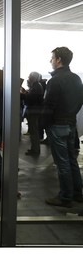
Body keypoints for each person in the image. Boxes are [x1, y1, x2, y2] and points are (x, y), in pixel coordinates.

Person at [43, 46, 83, 208]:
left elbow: (49, 106)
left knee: (62, 163)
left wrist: (45, 125)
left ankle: (65, 196)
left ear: (59, 60)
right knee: (71, 160)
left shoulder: (55, 80)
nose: (50, 60)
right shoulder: (76, 79)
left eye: (52, 58)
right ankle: (78, 193)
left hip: (57, 125)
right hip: (70, 124)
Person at [20, 71, 44, 156]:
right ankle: (34, 149)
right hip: (35, 110)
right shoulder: (36, 86)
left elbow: (31, 99)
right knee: (33, 131)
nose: (28, 77)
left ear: (33, 78)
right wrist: (25, 93)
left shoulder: (36, 87)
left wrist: (22, 94)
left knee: (33, 131)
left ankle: (35, 150)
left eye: (30, 76)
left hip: (34, 111)